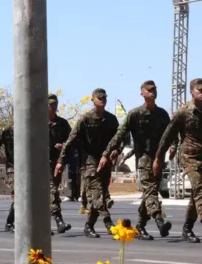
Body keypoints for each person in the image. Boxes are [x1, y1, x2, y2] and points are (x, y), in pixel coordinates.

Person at [101, 80, 171, 240]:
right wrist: (108, 152)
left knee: (149, 193)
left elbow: (171, 133)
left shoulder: (162, 114)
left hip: (159, 158)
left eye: (155, 89)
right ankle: (159, 220)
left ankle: (140, 226)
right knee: (151, 189)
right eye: (149, 90)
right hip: (144, 158)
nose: (153, 92)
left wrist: (172, 147)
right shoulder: (134, 114)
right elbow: (120, 134)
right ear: (142, 93)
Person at [56, 88, 119, 238]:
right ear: (93, 100)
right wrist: (61, 161)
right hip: (89, 162)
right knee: (97, 194)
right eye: (99, 98)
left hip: (105, 162)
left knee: (101, 195)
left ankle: (89, 225)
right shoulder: (85, 119)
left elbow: (119, 138)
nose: (102, 100)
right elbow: (71, 140)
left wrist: (116, 149)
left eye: (104, 98)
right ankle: (108, 223)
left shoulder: (111, 119)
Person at [155, 77, 202, 243]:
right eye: (200, 91)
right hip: (189, 156)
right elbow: (167, 136)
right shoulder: (183, 112)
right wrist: (159, 157)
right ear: (192, 92)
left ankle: (187, 228)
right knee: (199, 185)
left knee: (196, 194)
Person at [48, 94, 73, 234]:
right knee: (52, 192)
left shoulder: (63, 124)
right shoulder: (37, 122)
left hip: (56, 163)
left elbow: (71, 142)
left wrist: (63, 146)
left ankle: (45, 224)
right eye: (51, 106)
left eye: (55, 106)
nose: (53, 109)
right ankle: (59, 221)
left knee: (51, 193)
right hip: (40, 164)